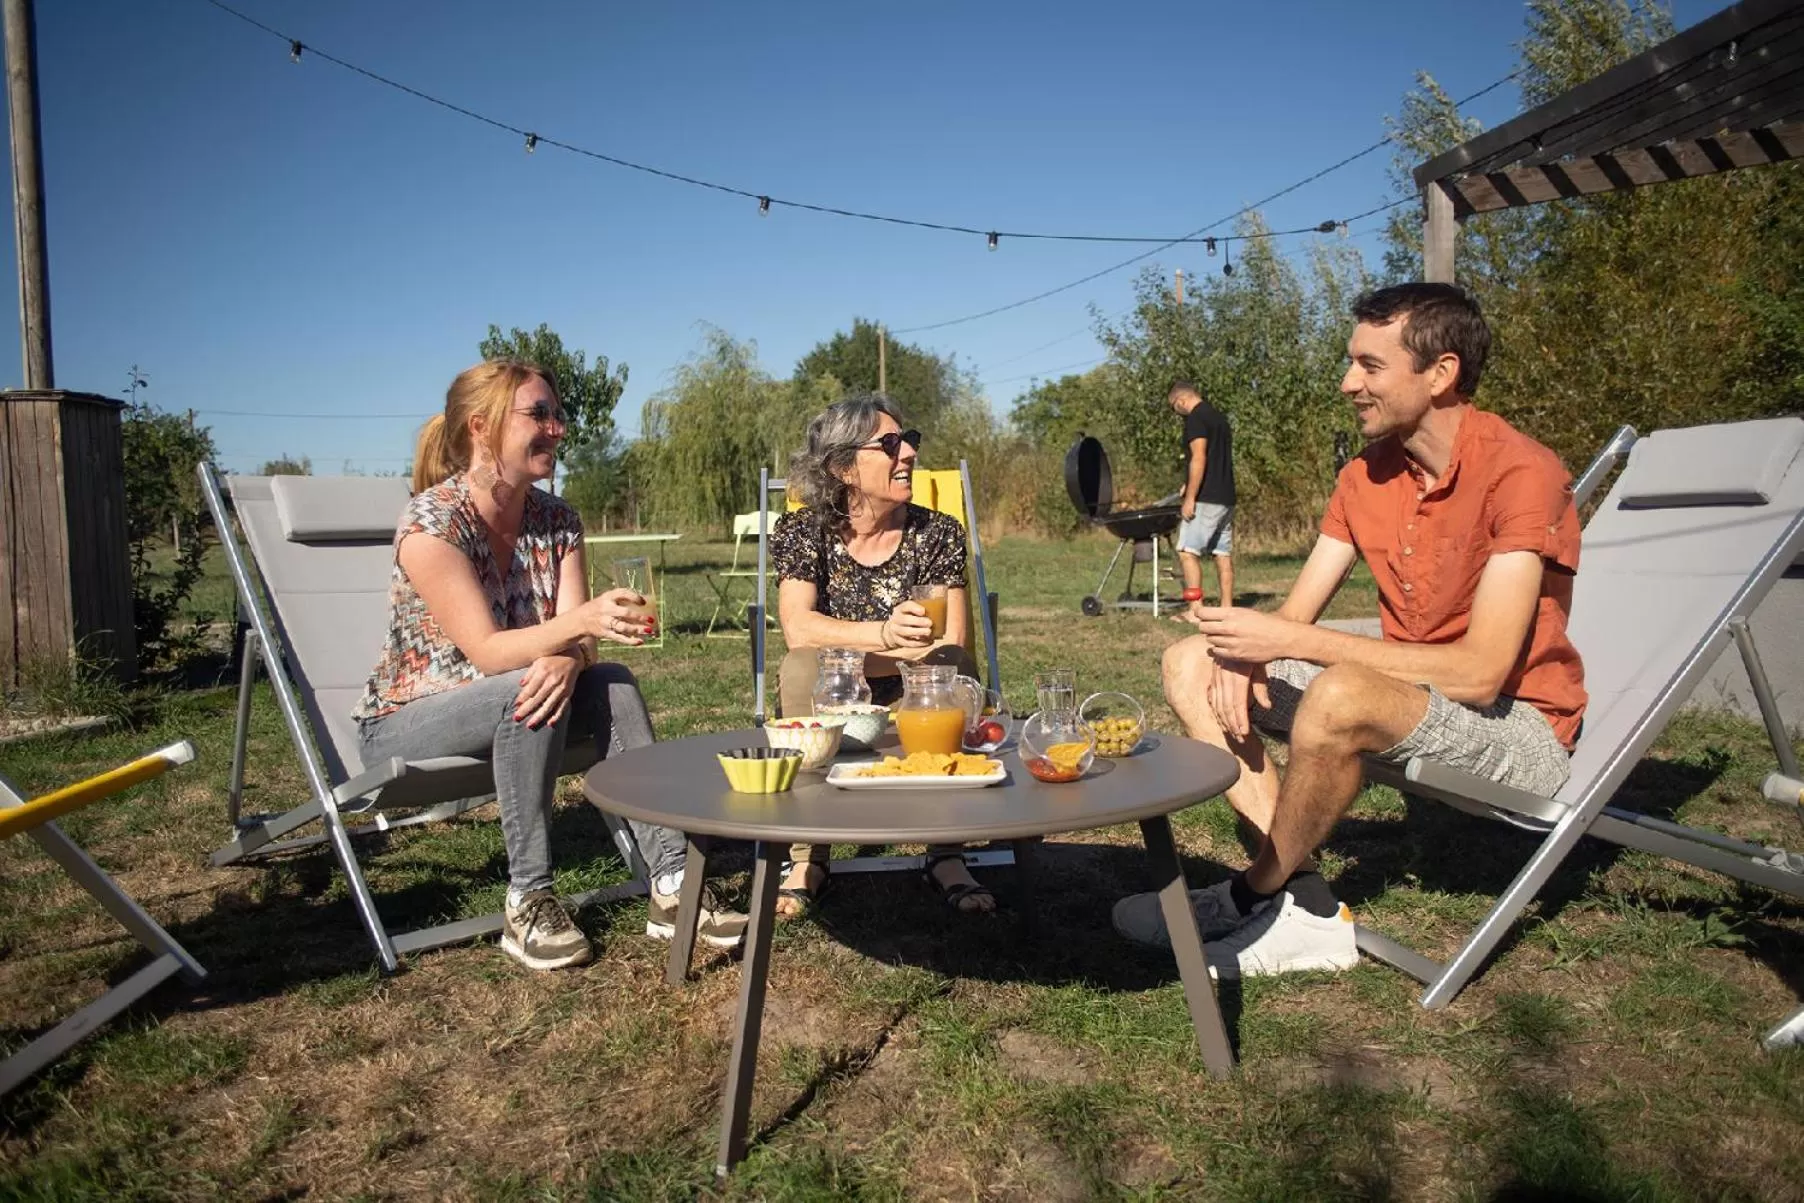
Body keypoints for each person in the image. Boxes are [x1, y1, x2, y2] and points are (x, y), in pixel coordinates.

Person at [1113, 283, 1587, 978]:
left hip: (1519, 727)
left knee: (1338, 692)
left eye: (1370, 366)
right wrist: (1243, 656)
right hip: (1413, 697)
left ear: (1441, 372)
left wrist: (1287, 643)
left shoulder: (1520, 472)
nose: (1347, 383)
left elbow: (1483, 671)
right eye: (1350, 362)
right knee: (1193, 660)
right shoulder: (1365, 476)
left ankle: (1255, 892)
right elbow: (1294, 617)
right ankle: (1304, 905)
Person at [354, 359, 747, 972]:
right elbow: (487, 651)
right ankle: (529, 896)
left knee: (611, 683)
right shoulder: (433, 523)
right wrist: (576, 635)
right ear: (481, 427)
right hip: (406, 720)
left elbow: (576, 641)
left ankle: (671, 882)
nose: (558, 428)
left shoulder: (557, 520)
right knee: (523, 684)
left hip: (521, 689)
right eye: (539, 414)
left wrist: (573, 655)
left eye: (558, 414)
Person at [769, 393, 993, 918]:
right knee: (800, 666)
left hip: (921, 697)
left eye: (908, 440)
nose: (909, 453)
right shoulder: (804, 532)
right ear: (843, 466)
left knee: (953, 668)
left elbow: (948, 643)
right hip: (835, 700)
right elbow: (799, 630)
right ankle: (808, 853)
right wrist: (886, 638)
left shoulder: (936, 532)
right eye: (890, 444)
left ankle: (946, 852)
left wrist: (852, 653)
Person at [1169, 380, 1236, 622]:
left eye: (1174, 408)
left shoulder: (1196, 419)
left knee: (1187, 552)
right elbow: (1216, 458)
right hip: (1226, 496)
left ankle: (1195, 610)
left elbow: (1199, 457)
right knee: (1222, 553)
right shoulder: (1218, 418)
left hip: (1206, 498)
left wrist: (1190, 497)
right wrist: (1189, 482)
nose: (1177, 414)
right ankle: (1227, 608)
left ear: (1181, 401)